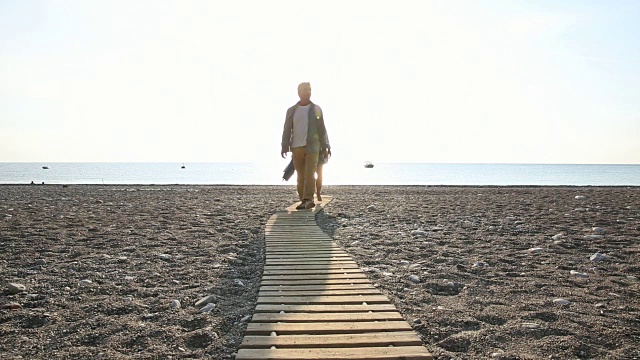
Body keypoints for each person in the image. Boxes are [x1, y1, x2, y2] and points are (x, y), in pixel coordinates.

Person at [281, 82, 331, 210]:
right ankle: (303, 198)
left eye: (309, 90)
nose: (308, 92)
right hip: (296, 147)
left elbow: (322, 129)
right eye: (305, 90)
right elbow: (287, 128)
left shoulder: (316, 109)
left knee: (309, 174)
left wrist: (325, 146)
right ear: (299, 92)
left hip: (313, 147)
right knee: (300, 175)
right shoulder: (291, 110)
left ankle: (308, 199)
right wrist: (284, 145)